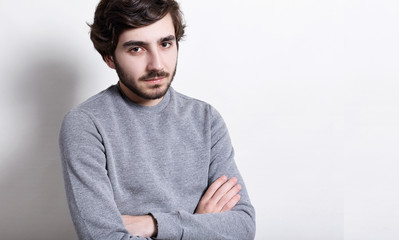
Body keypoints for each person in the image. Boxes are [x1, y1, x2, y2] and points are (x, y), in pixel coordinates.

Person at [58, 0, 255, 239]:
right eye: (136, 49)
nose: (157, 65)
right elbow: (103, 237)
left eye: (165, 44)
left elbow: (243, 227)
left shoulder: (206, 119)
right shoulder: (86, 124)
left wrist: (151, 224)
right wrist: (198, 226)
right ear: (109, 57)